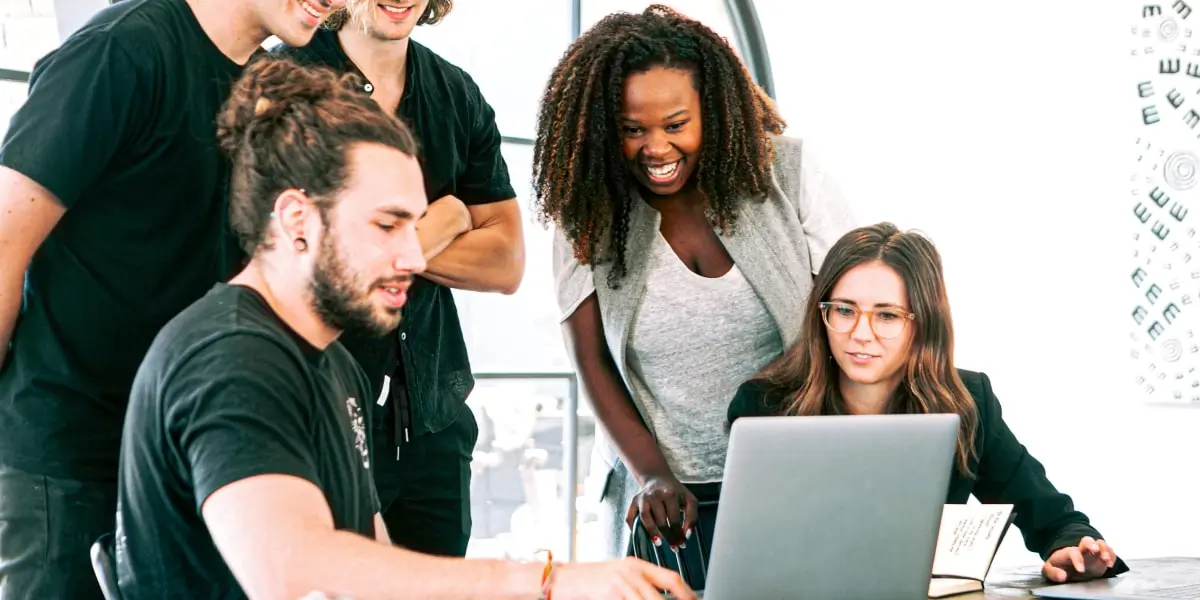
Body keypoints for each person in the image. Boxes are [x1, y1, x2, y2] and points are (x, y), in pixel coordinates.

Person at [114, 56, 693, 600]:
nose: (416, 258)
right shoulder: (232, 359)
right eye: (388, 226)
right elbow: (296, 571)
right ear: (296, 219)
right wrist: (543, 582)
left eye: (414, 226)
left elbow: (374, 563)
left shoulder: (333, 364)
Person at [0, 0, 343, 595]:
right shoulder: (121, 51)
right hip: (73, 455)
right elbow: (5, 241)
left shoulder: (265, 86)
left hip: (185, 453)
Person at [536, 4, 856, 563]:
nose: (656, 148)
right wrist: (652, 475)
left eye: (676, 125)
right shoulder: (587, 210)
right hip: (664, 500)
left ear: (714, 110)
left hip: (795, 475)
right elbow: (592, 362)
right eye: (633, 130)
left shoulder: (790, 172)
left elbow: (850, 319)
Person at [727, 222, 1129, 584]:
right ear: (822, 315)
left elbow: (1053, 517)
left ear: (922, 323)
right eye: (845, 310)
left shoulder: (967, 403)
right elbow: (748, 548)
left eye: (886, 315)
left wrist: (1073, 549)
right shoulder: (764, 407)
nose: (860, 333)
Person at [273, 0, 525, 556]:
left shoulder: (456, 93)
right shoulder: (280, 83)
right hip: (319, 419)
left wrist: (372, 244)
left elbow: (506, 263)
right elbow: (294, 253)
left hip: (433, 424)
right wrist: (447, 218)